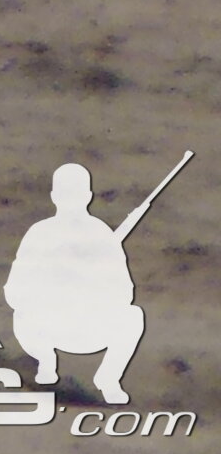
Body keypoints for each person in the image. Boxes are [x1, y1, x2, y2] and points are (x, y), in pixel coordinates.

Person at [8, 163, 148, 405]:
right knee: (133, 316)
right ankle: (50, 363)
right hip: (64, 327)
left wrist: (90, 283)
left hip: (74, 328)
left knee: (133, 316)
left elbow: (14, 291)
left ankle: (102, 377)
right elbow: (126, 293)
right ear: (88, 196)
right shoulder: (97, 234)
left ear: (54, 197)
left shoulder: (42, 232)